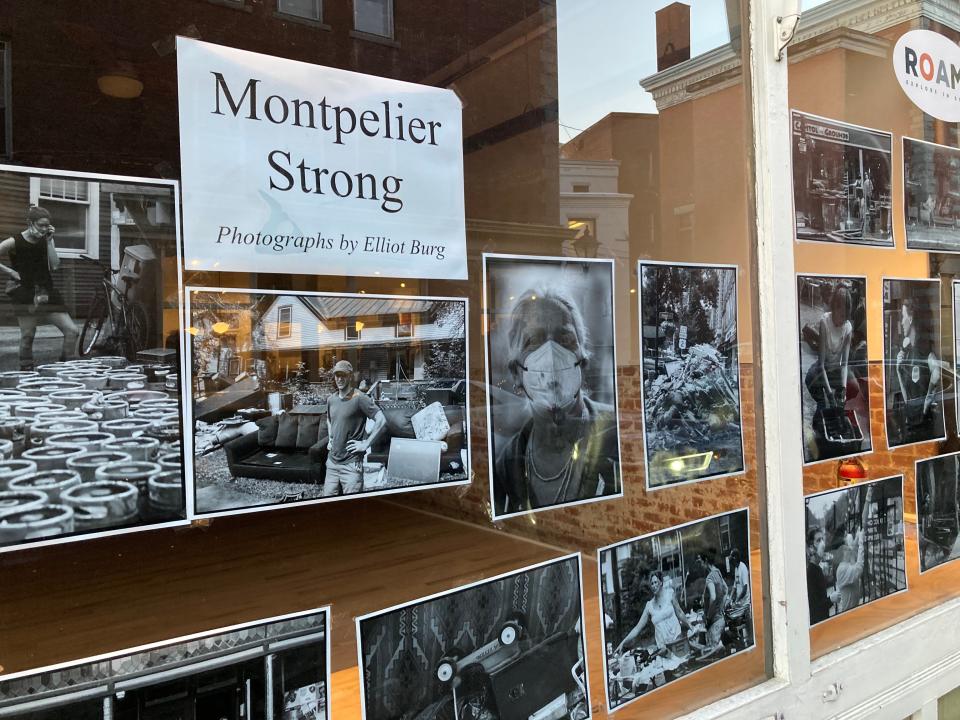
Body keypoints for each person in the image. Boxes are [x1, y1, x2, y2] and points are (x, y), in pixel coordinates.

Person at [493, 287, 620, 513]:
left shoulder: (616, 431)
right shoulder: (508, 462)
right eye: (533, 340)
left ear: (583, 361)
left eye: (565, 338)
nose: (551, 353)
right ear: (516, 373)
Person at [0, 205, 79, 370]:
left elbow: (55, 265)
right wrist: (11, 272)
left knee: (72, 330)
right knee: (28, 336)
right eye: (40, 225)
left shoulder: (46, 240)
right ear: (30, 222)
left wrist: (50, 241)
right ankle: (26, 370)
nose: (44, 229)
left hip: (46, 292)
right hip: (24, 293)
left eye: (46, 225)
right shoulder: (15, 241)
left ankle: (66, 368)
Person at [322, 360, 387, 497]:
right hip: (332, 463)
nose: (339, 379)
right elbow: (329, 419)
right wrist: (330, 438)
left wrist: (366, 444)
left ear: (350, 376)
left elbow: (381, 419)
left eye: (343, 375)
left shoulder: (359, 398)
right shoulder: (331, 400)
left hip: (351, 465)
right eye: (337, 375)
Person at [894, 296, 941, 445]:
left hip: (923, 425)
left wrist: (927, 400)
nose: (901, 322)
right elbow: (906, 398)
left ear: (911, 318)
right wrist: (898, 370)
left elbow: (937, 374)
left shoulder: (922, 349)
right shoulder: (907, 351)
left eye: (903, 317)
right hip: (911, 422)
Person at [805, 285, 854, 424]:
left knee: (853, 387)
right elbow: (821, 364)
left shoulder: (848, 328)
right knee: (812, 382)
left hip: (837, 369)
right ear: (834, 308)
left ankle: (835, 416)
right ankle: (819, 419)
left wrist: (843, 389)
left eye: (846, 316)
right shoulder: (824, 322)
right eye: (841, 315)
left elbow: (844, 364)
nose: (843, 320)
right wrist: (828, 393)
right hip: (822, 368)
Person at [614, 571, 692, 657]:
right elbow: (637, 628)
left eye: (656, 582)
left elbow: (680, 613)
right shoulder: (649, 606)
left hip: (677, 641)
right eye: (652, 583)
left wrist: (690, 626)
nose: (654, 586)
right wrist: (623, 642)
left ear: (661, 582)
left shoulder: (670, 594)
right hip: (663, 649)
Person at [806, 527, 841, 624]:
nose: (823, 544)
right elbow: (814, 609)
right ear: (810, 547)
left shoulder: (817, 568)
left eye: (822, 539)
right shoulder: (811, 573)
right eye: (818, 540)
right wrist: (831, 599)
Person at [697, 550, 727, 657]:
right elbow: (725, 590)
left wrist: (709, 617)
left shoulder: (709, 577)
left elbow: (713, 597)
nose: (699, 564)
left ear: (705, 561)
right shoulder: (717, 571)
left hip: (714, 623)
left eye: (700, 561)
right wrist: (722, 607)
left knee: (713, 656)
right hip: (721, 619)